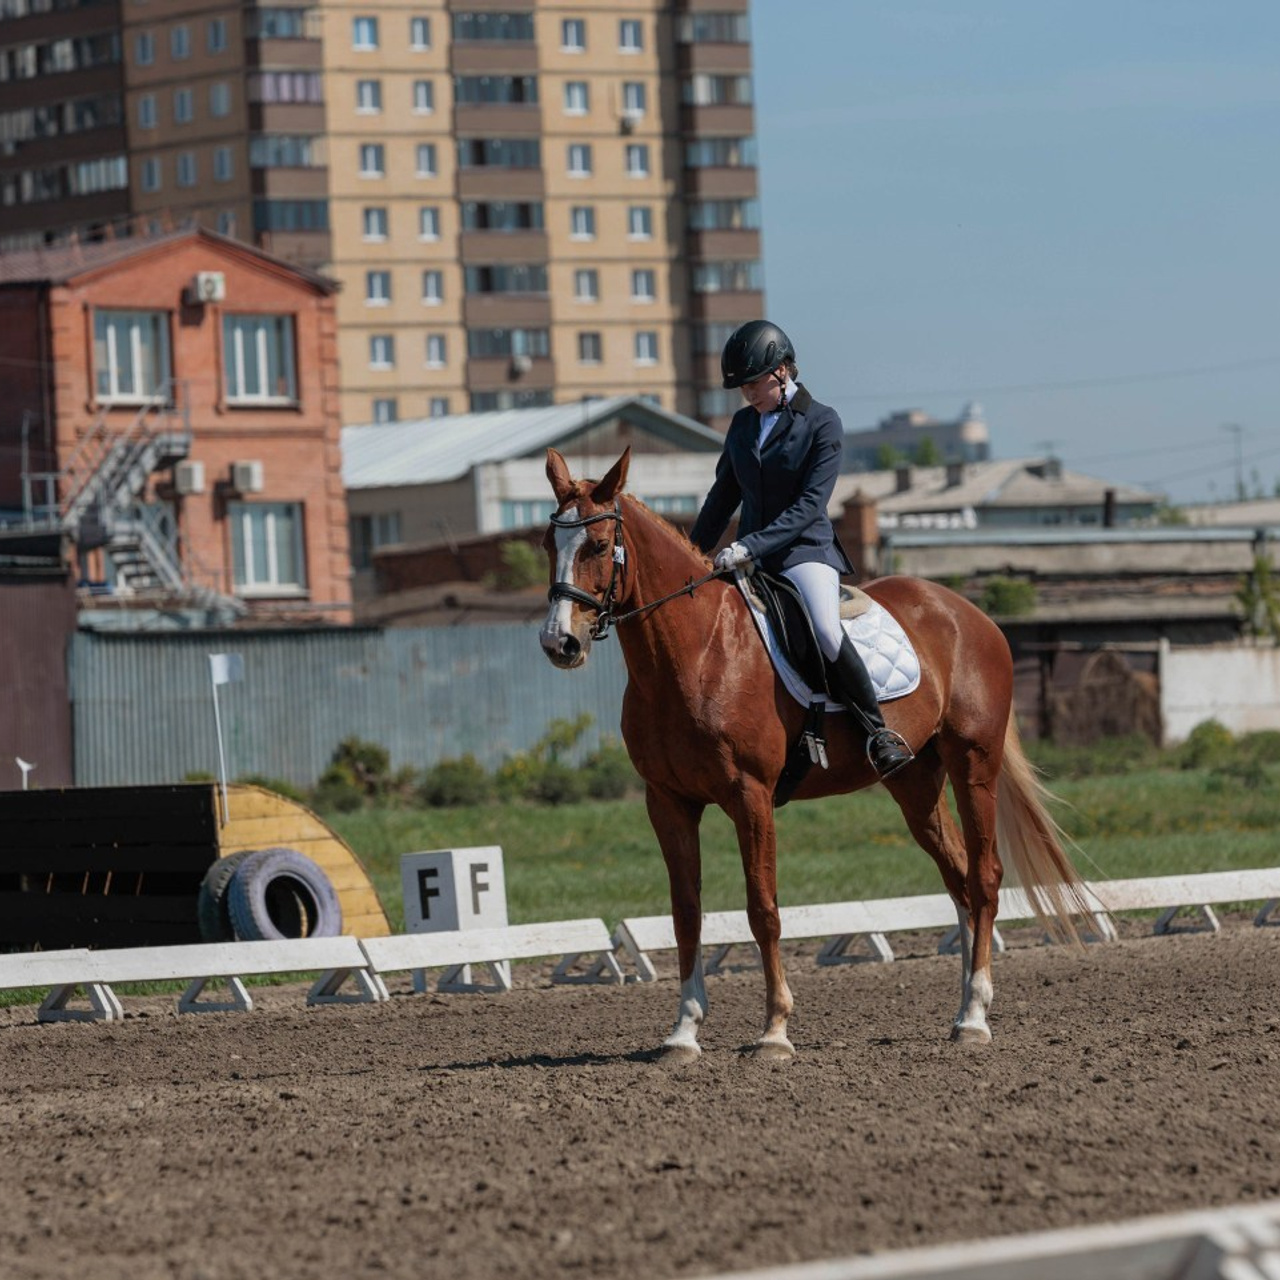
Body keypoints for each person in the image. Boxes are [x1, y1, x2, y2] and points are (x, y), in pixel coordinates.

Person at [689, 320, 914, 778]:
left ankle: (878, 732)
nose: (749, 393)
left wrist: (748, 545)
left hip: (804, 552)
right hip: (748, 557)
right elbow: (721, 497)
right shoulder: (742, 425)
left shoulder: (822, 421)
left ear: (784, 370)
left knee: (828, 631)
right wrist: (691, 553)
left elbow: (811, 506)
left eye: (755, 383)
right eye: (743, 386)